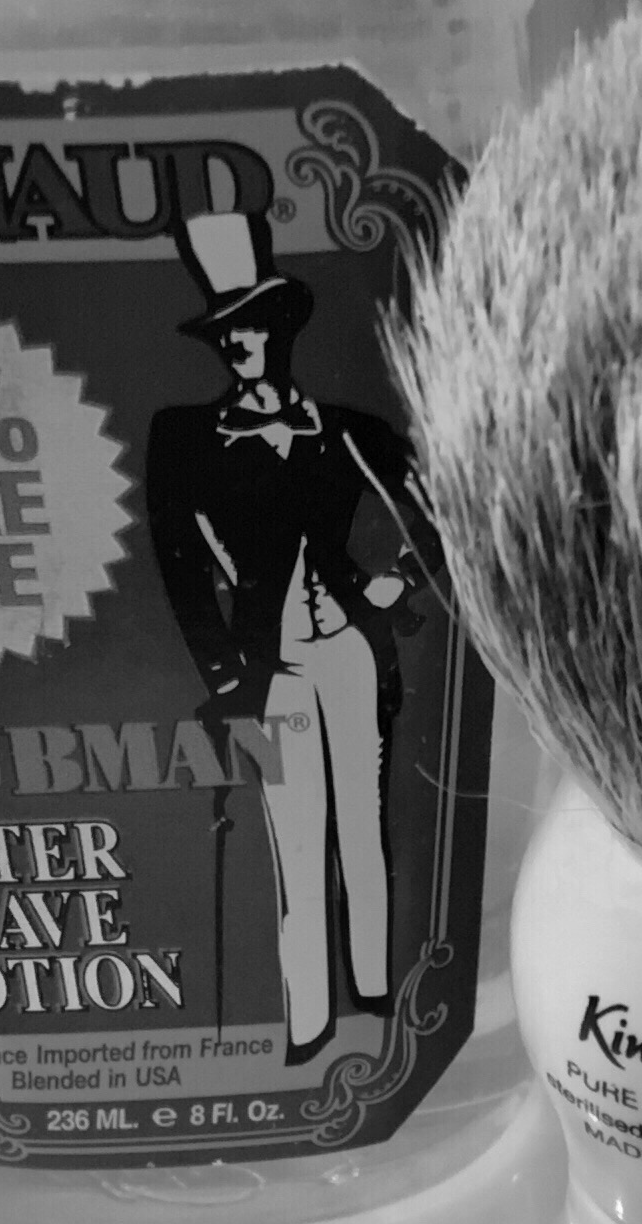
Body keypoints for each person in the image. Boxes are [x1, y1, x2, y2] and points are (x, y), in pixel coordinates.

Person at [145, 208, 444, 1057]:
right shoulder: (185, 439)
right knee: (297, 842)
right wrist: (226, 679)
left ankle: (378, 992)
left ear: (281, 330)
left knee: (366, 829)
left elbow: (443, 496)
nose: (238, 345)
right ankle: (308, 1021)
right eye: (224, 333)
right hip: (269, 670)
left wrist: (396, 581)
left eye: (251, 327)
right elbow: (181, 572)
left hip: (350, 651)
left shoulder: (345, 431)